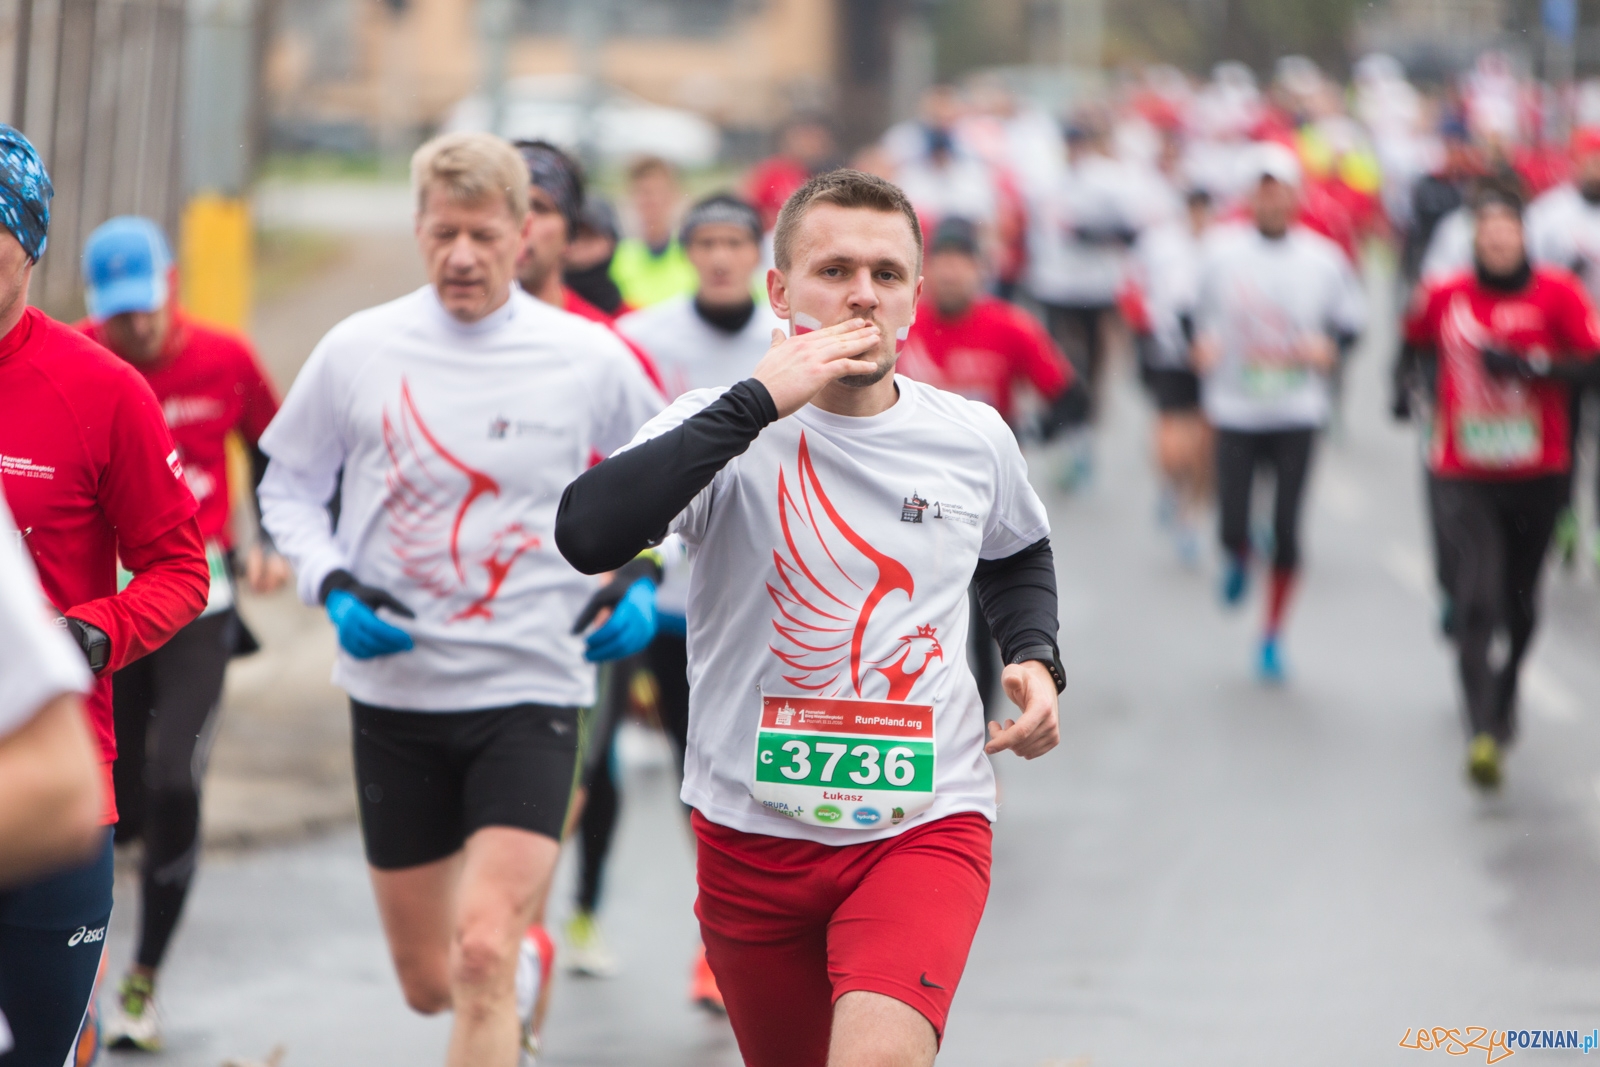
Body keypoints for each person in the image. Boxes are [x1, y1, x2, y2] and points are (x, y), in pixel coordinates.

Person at [556, 168, 1064, 1067]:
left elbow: (1017, 547)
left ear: (912, 300)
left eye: (886, 274)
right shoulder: (716, 427)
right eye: (833, 270)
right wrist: (754, 403)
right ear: (779, 291)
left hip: (924, 819)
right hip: (750, 833)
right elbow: (588, 531)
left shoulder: (972, 435)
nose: (862, 294)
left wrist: (1033, 652)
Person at [257, 132, 662, 1067]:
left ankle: (505, 969)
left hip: (533, 686)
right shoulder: (359, 348)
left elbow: (676, 480)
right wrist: (330, 581)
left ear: (525, 232)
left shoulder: (584, 356)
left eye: (484, 233)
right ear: (418, 229)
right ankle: (518, 977)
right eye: (444, 234)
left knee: (480, 947)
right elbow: (286, 484)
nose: (464, 256)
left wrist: (643, 572)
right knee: (430, 980)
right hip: (396, 698)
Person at [0, 124, 209, 1067]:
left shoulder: (102, 390)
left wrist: (93, 633)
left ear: (31, 242)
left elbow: (181, 571)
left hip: (52, 789)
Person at [67, 215, 286, 1051]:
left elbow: (273, 450)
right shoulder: (82, 359)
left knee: (173, 779)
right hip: (104, 612)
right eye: (121, 311)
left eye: (149, 303)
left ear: (173, 285)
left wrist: (265, 538)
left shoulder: (226, 358)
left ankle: (144, 977)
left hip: (200, 601)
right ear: (98, 306)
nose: (139, 324)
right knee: (101, 803)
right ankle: (82, 959)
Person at [610, 192, 782, 1006]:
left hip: (763, 594)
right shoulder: (643, 339)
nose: (719, 257)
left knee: (760, 771)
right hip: (666, 598)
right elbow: (617, 452)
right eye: (705, 243)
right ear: (686, 252)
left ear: (759, 255)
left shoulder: (791, 341)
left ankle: (745, 935)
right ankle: (715, 932)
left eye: (734, 242)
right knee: (699, 770)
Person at [1395, 182, 1600, 789]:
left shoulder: (1558, 294)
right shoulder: (1448, 294)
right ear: (1475, 243)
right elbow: (1414, 343)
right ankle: (1481, 728)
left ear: (1523, 240)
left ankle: (1508, 686)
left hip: (1540, 469)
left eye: (1507, 234)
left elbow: (1591, 364)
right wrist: (1406, 389)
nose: (1498, 243)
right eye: (1487, 236)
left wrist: (1533, 367)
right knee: (1478, 597)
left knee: (1520, 601)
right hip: (1466, 468)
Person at [1192, 143, 1366, 683]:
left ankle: (1271, 634)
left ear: (1295, 197)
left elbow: (1352, 323)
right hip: (1235, 406)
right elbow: (1186, 313)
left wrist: (1330, 348)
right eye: (1262, 190)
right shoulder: (1220, 252)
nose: (1271, 199)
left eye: (1281, 189)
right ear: (1250, 197)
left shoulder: (1323, 258)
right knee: (1231, 524)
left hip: (1297, 409)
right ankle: (1238, 553)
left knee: (1289, 530)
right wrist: (1200, 345)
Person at [897, 215, 1076, 717]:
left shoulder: (1010, 327)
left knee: (977, 625)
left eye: (963, 262)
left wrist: (1027, 435)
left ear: (981, 269)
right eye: (941, 263)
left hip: (973, 499)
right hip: (900, 496)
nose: (952, 273)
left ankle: (977, 738)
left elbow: (1071, 399)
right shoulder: (898, 329)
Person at [0, 488, 101, 1061]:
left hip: (87, 694)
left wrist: (96, 630)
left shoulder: (107, 398)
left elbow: (61, 788)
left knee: (171, 785)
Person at [1123, 189, 1214, 565]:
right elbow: (1134, 286)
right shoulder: (1162, 245)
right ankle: (1170, 486)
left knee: (1205, 440)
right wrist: (1142, 329)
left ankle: (1189, 517)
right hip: (1167, 352)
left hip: (1212, 360)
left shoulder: (1221, 246)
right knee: (1172, 436)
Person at [1525, 128, 1600, 569]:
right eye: (1589, 159)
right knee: (1566, 436)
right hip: (1567, 350)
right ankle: (1566, 513)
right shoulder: (1549, 214)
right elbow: (1527, 276)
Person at [610, 156, 697, 309]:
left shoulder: (694, 255)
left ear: (675, 196)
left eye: (660, 192)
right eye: (644, 193)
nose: (652, 202)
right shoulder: (616, 258)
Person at [563, 198, 626, 317]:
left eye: (589, 236)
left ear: (611, 242)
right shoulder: (548, 309)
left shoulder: (632, 319)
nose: (579, 245)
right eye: (573, 236)